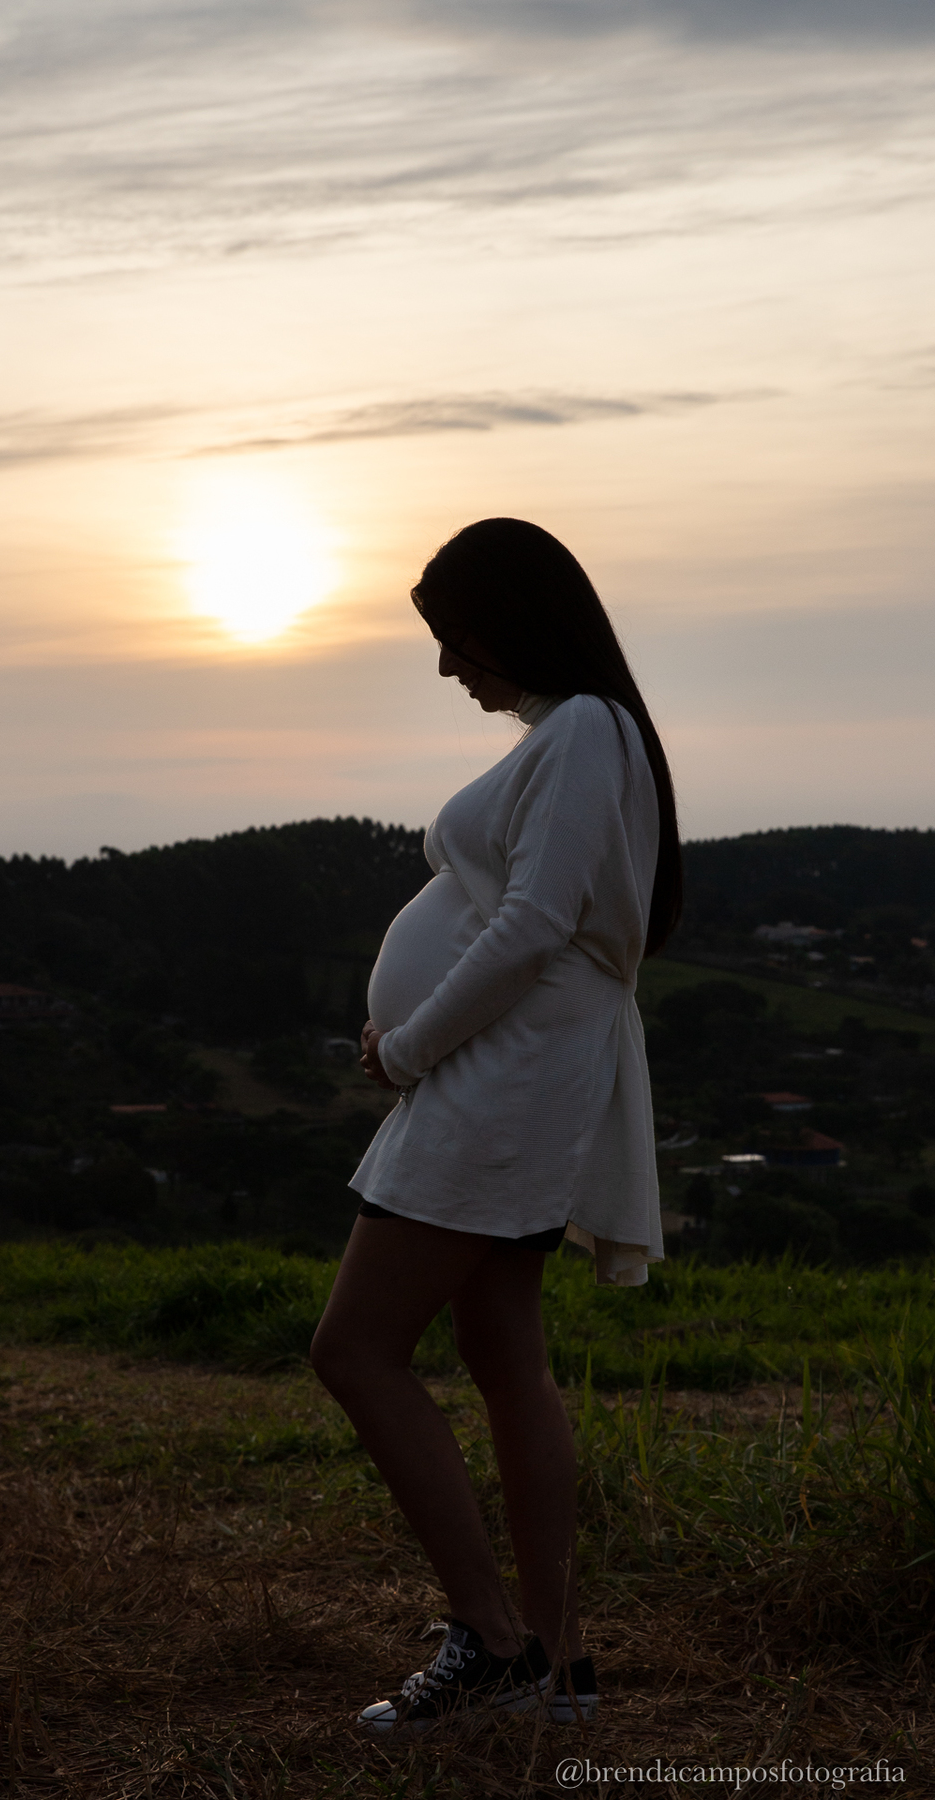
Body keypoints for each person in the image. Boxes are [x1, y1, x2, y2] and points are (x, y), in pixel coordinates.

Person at [310, 517, 682, 1739]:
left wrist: (409, 1048)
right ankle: (556, 1666)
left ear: (514, 623)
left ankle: (493, 1638)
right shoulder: (575, 732)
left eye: (456, 638)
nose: (446, 665)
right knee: (502, 1353)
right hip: (516, 1073)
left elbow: (532, 924)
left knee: (355, 1349)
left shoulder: (584, 729)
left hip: (503, 1080)